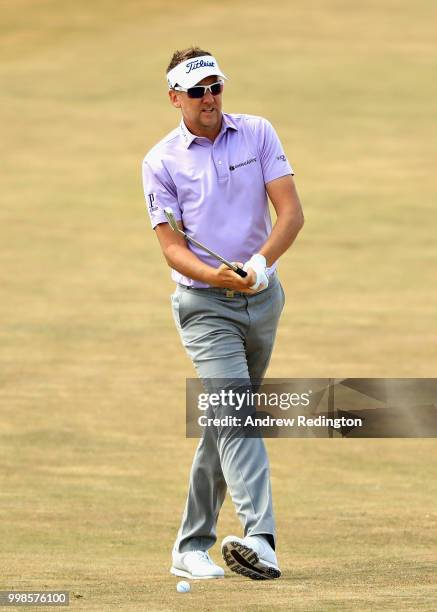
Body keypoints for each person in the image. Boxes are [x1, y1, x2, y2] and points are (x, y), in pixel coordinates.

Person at [142, 47, 304, 581]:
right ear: (175, 98)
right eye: (196, 91)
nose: (208, 98)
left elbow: (291, 212)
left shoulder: (257, 132)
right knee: (236, 414)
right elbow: (172, 247)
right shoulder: (160, 161)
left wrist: (259, 264)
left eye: (214, 87)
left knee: (225, 420)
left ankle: (190, 545)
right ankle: (263, 539)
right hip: (205, 306)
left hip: (264, 297)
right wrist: (218, 277)